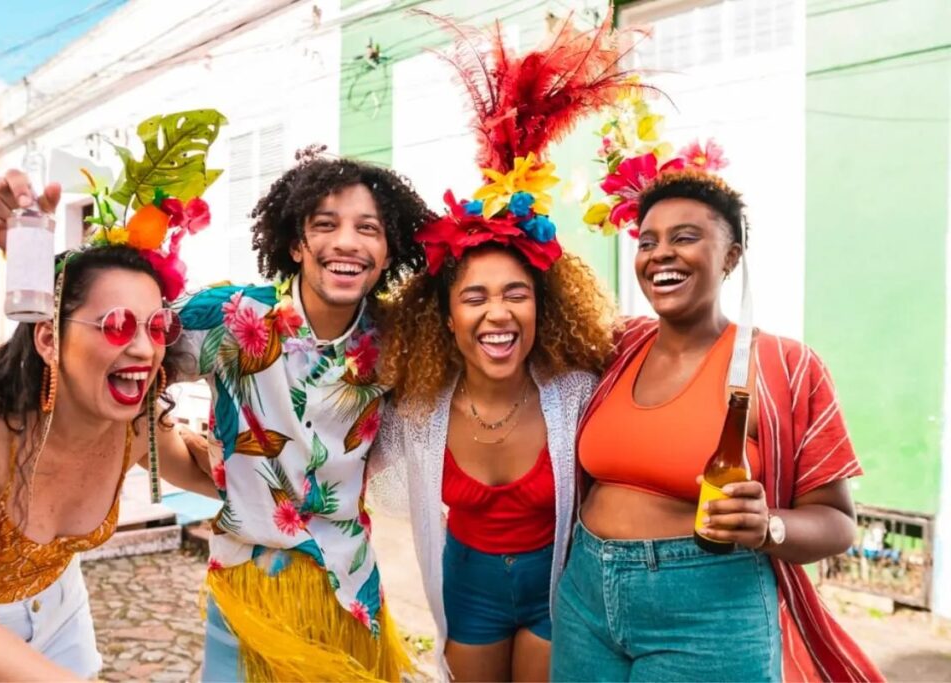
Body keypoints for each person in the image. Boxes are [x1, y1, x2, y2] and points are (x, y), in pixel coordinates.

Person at [0, 147, 435, 680]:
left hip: (352, 590)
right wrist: (25, 255)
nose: (347, 241)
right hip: (247, 590)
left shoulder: (402, 342)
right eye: (325, 224)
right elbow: (104, 332)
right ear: (295, 243)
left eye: (368, 228)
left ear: (390, 246)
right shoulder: (232, 318)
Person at [550, 129, 883, 681]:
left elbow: (838, 523)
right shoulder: (615, 347)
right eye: (648, 240)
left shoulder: (784, 366)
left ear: (729, 256)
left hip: (707, 613)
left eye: (684, 237)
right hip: (585, 598)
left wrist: (767, 525)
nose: (661, 254)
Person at [370, 12, 634, 682]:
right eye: (475, 296)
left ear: (543, 307)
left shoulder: (579, 390)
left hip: (558, 586)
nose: (498, 312)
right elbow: (330, 446)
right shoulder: (419, 409)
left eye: (516, 292)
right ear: (447, 318)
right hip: (468, 587)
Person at [0, 245, 218, 681]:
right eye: (116, 325)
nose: (144, 349)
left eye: (157, 327)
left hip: (62, 612)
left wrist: (238, 385)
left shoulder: (137, 423)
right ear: (48, 338)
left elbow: (210, 477)